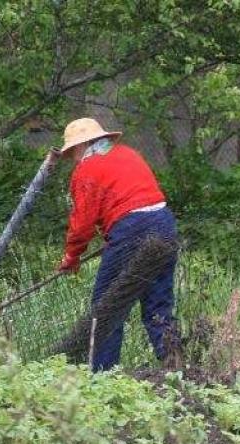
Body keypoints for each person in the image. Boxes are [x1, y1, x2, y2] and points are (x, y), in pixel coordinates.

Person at [57, 117, 179, 371]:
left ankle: (103, 375)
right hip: (164, 221)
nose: (73, 159)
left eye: (72, 153)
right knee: (158, 302)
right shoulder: (127, 153)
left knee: (107, 306)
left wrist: (72, 256)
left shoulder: (87, 169)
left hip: (131, 228)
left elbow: (82, 223)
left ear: (82, 146)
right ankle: (174, 364)